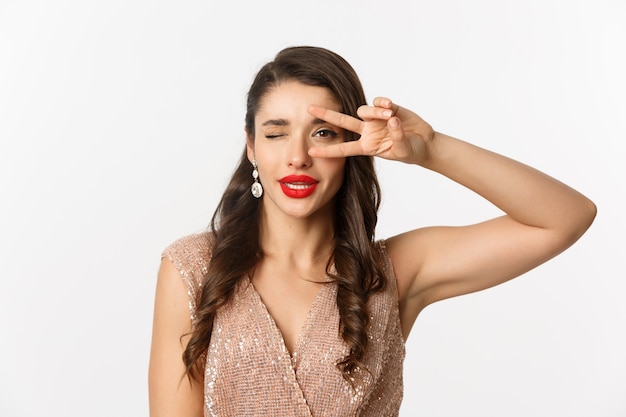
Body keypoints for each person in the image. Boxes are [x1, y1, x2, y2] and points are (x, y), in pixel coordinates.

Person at [148, 46, 596, 417]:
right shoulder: (193, 268)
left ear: (353, 146)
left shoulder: (393, 271)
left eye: (322, 133)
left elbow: (565, 217)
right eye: (276, 134)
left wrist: (431, 149)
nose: (298, 156)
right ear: (251, 147)